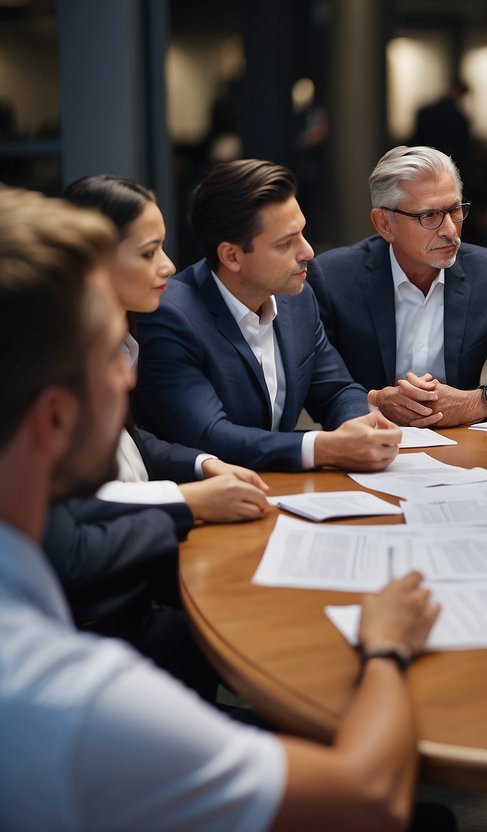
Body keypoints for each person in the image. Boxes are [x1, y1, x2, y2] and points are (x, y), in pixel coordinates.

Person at [0, 186, 442, 829]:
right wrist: (386, 646)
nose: (131, 378)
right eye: (107, 361)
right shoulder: (73, 701)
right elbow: (367, 797)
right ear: (55, 416)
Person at [48, 175, 270, 695]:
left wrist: (201, 466)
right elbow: (71, 534)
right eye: (149, 253)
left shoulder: (118, 338)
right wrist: (189, 503)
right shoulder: (48, 372)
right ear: (91, 263)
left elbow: (132, 442)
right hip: (95, 620)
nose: (169, 266)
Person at [133, 159, 401, 472]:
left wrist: (360, 425)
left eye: (302, 233)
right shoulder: (170, 316)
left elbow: (337, 389)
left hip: (286, 491)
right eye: (286, 243)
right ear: (231, 256)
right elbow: (209, 435)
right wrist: (323, 447)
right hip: (206, 502)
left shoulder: (297, 299)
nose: (308, 252)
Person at [309, 145, 487, 428]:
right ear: (384, 223)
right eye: (428, 216)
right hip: (365, 445)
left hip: (460, 447)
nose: (450, 231)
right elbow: (316, 387)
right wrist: (375, 402)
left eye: (454, 209)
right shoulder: (334, 278)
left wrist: (476, 402)